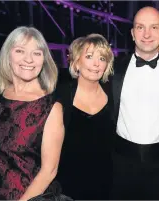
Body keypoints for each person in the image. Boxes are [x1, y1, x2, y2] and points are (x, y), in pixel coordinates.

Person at [0, 26, 64, 200]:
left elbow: (49, 171)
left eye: (37, 53)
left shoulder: (50, 107)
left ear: (44, 60)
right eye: (20, 51)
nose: (29, 59)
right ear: (7, 55)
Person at [110, 6, 159, 200]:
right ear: (132, 33)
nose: (146, 34)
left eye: (154, 27)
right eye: (140, 27)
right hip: (121, 163)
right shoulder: (113, 69)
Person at [55, 33, 115, 200]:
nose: (96, 64)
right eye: (89, 56)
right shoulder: (61, 95)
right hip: (67, 187)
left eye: (102, 58)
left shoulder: (114, 95)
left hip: (106, 185)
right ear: (76, 62)